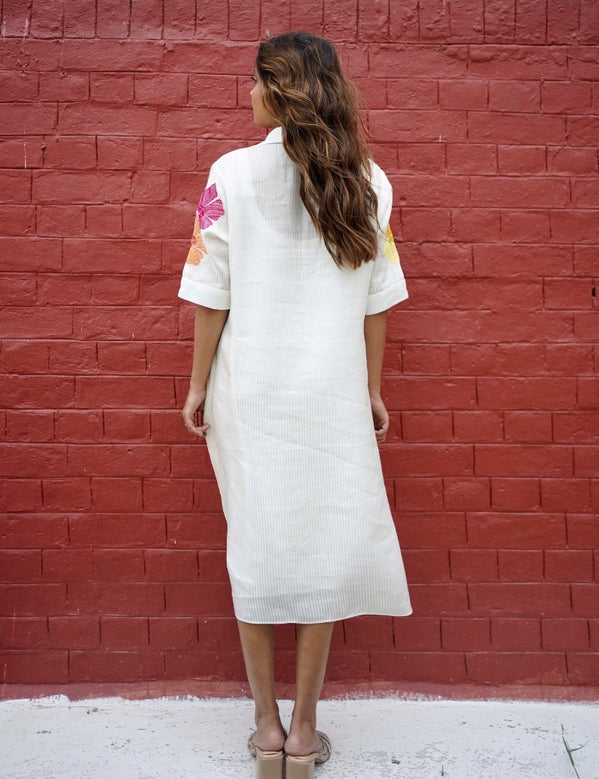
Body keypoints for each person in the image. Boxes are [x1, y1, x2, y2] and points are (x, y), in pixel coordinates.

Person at [179, 31, 411, 779]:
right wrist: (370, 388)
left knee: (254, 544)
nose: (245, 95)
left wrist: (196, 384)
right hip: (331, 392)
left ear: (281, 91)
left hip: (250, 389)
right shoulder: (368, 181)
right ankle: (306, 734)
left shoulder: (229, 174)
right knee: (318, 550)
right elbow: (378, 301)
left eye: (255, 83)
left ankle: (266, 728)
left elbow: (210, 291)